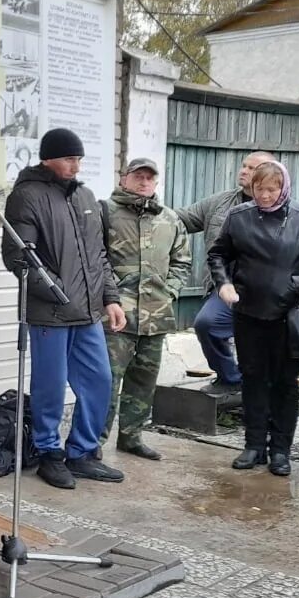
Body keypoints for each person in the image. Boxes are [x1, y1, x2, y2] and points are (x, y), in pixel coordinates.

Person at [1, 128, 127, 491]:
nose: (76, 165)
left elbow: (99, 256)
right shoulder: (26, 197)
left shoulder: (86, 197)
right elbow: (18, 256)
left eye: (79, 159)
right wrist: (57, 293)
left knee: (100, 380)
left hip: (89, 314)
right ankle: (49, 454)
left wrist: (111, 299)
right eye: (70, 158)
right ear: (48, 159)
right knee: (50, 388)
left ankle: (83, 453)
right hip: (49, 315)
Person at [208, 161, 299, 477]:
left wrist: (298, 285)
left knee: (285, 384)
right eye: (260, 189)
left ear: (283, 187)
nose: (266, 196)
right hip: (248, 313)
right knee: (253, 378)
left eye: (272, 189)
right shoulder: (238, 217)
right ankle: (254, 444)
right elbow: (218, 255)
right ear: (252, 188)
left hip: (289, 316)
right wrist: (224, 283)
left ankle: (281, 450)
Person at [99, 158, 191, 462]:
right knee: (107, 382)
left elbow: (182, 261)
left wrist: (171, 292)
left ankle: (131, 437)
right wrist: (110, 295)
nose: (144, 182)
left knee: (143, 380)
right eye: (138, 176)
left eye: (149, 178)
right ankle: (92, 443)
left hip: (156, 314)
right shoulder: (105, 212)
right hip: (115, 315)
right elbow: (95, 258)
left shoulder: (169, 219)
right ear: (124, 178)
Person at [176, 151, 276, 395]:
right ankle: (231, 380)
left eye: (252, 168)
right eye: (244, 166)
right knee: (207, 324)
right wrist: (150, 211)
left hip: (267, 291)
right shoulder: (221, 202)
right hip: (226, 286)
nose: (244, 171)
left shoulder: (283, 208)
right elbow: (182, 219)